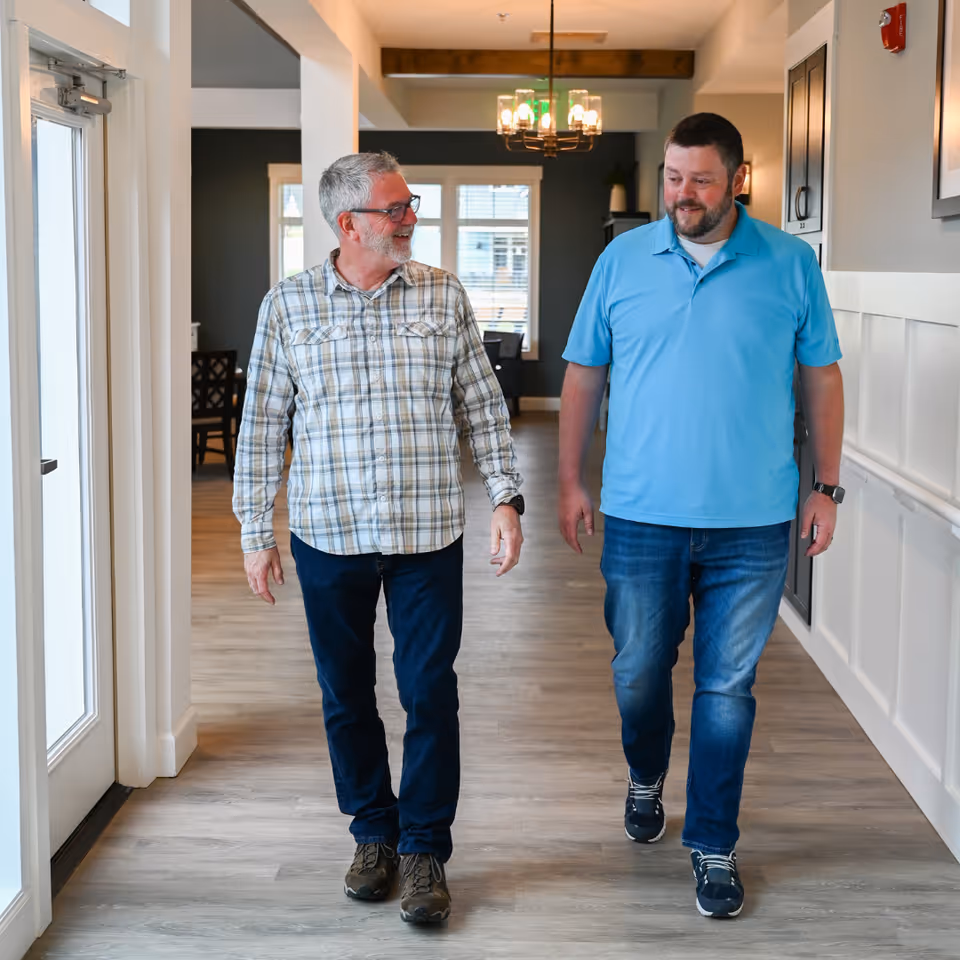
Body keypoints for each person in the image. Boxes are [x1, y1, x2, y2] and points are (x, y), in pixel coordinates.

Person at [558, 113, 844, 918]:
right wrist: (570, 483)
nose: (683, 195)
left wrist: (826, 486)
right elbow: (582, 375)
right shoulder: (623, 258)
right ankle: (646, 774)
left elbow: (822, 377)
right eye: (673, 179)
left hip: (753, 522)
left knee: (728, 687)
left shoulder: (790, 264)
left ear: (738, 180)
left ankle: (713, 840)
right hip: (642, 514)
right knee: (638, 672)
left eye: (701, 180)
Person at [233, 151, 525, 925]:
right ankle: (373, 833)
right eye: (394, 208)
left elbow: (482, 404)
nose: (410, 217)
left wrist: (505, 496)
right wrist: (253, 530)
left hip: (426, 531)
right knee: (346, 694)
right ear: (347, 223)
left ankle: (425, 846)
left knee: (430, 691)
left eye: (410, 204)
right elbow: (261, 425)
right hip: (328, 535)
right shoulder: (288, 308)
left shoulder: (442, 293)